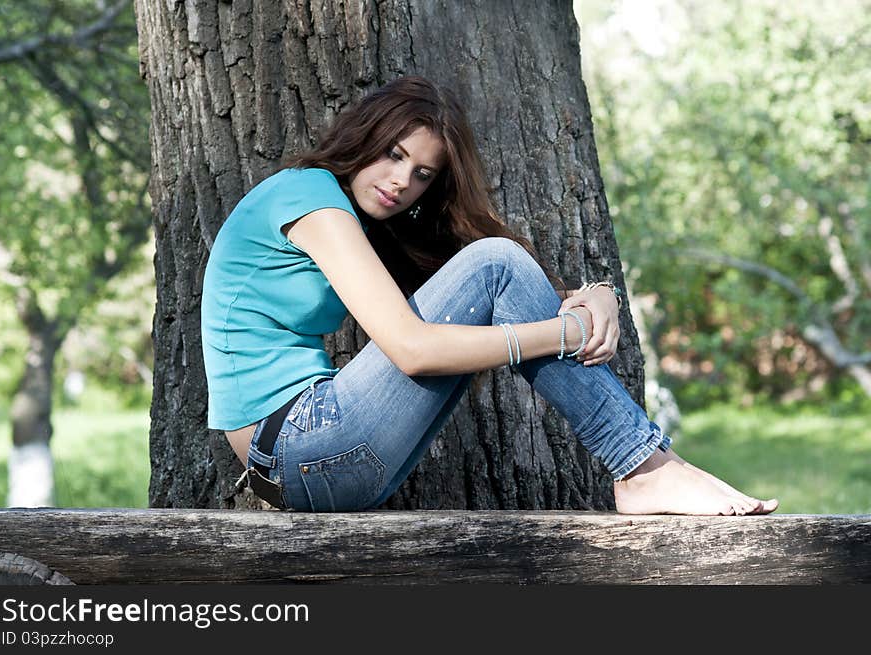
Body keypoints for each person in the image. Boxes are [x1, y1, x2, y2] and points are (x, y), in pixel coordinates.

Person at [201, 75, 778, 516]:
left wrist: (595, 296)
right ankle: (644, 466)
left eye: (424, 174)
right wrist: (564, 332)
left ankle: (652, 466)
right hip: (301, 447)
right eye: (394, 154)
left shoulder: (362, 224)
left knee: (497, 265)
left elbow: (517, 293)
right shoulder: (307, 195)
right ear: (365, 138)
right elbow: (412, 349)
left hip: (317, 460)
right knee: (495, 261)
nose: (403, 181)